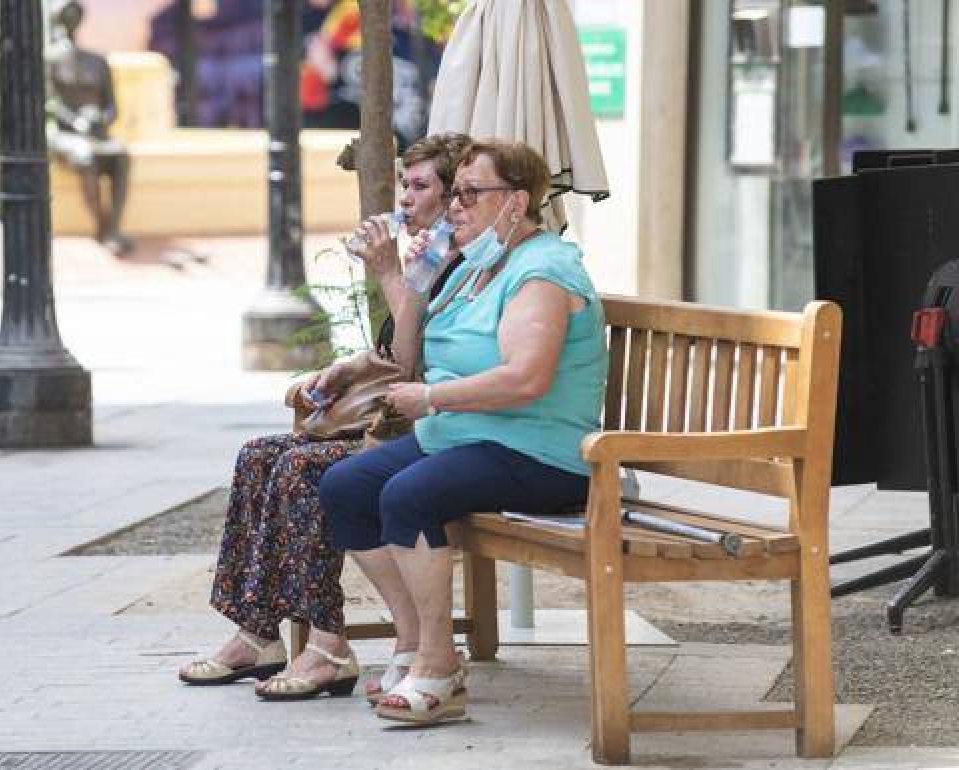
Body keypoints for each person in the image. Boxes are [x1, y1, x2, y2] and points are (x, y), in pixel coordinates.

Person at [319, 139, 609, 724]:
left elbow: (526, 379)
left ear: (517, 201)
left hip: (539, 450)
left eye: (472, 193)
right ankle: (414, 644)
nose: (456, 205)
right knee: (346, 487)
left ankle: (438, 665)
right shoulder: (475, 264)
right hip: (467, 437)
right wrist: (392, 281)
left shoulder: (543, 270)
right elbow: (408, 353)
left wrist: (432, 397)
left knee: (409, 494)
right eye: (456, 193)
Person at [178, 133, 471, 700]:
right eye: (404, 184)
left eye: (421, 186)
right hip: (395, 418)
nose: (406, 197)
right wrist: (349, 365)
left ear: (451, 194)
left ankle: (328, 644)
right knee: (259, 455)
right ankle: (257, 632)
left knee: (301, 472)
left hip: (418, 427)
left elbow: (413, 368)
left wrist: (389, 271)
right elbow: (393, 355)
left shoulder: (454, 258)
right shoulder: (426, 252)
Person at [48, 0, 135, 256]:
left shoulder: (98, 61)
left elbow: (112, 107)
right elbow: (48, 103)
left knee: (121, 156)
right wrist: (76, 122)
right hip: (66, 134)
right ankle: (103, 227)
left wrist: (100, 119)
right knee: (86, 157)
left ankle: (113, 227)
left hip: (98, 133)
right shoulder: (50, 58)